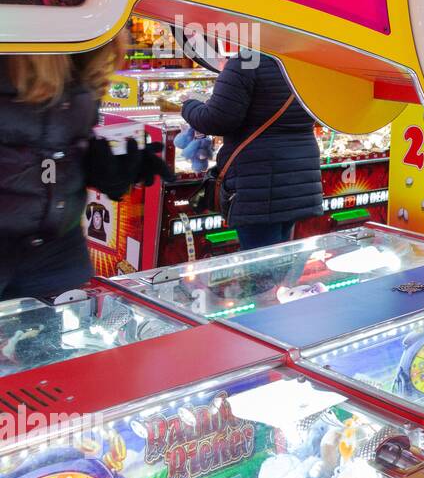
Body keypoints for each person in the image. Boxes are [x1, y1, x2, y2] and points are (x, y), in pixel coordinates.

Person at [1, 37, 169, 300]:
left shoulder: (86, 55)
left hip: (56, 255)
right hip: (20, 252)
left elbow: (61, 145)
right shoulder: (20, 41)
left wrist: (107, 167)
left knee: (54, 338)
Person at [173, 53, 323, 250]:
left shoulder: (246, 61)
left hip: (257, 181)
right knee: (278, 256)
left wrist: (189, 104)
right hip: (300, 175)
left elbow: (216, 120)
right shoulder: (307, 60)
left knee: (258, 265)